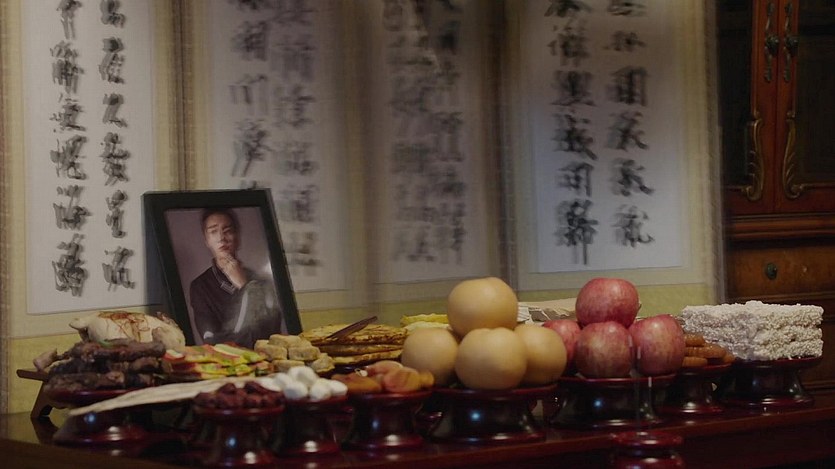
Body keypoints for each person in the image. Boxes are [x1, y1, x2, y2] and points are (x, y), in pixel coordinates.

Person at [188, 208, 283, 348]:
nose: (221, 238)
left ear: (237, 238)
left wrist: (244, 285)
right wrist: (247, 290)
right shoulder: (200, 286)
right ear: (207, 241)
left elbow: (272, 331)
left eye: (227, 231)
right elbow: (212, 340)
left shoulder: (262, 280)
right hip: (228, 359)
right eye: (213, 232)